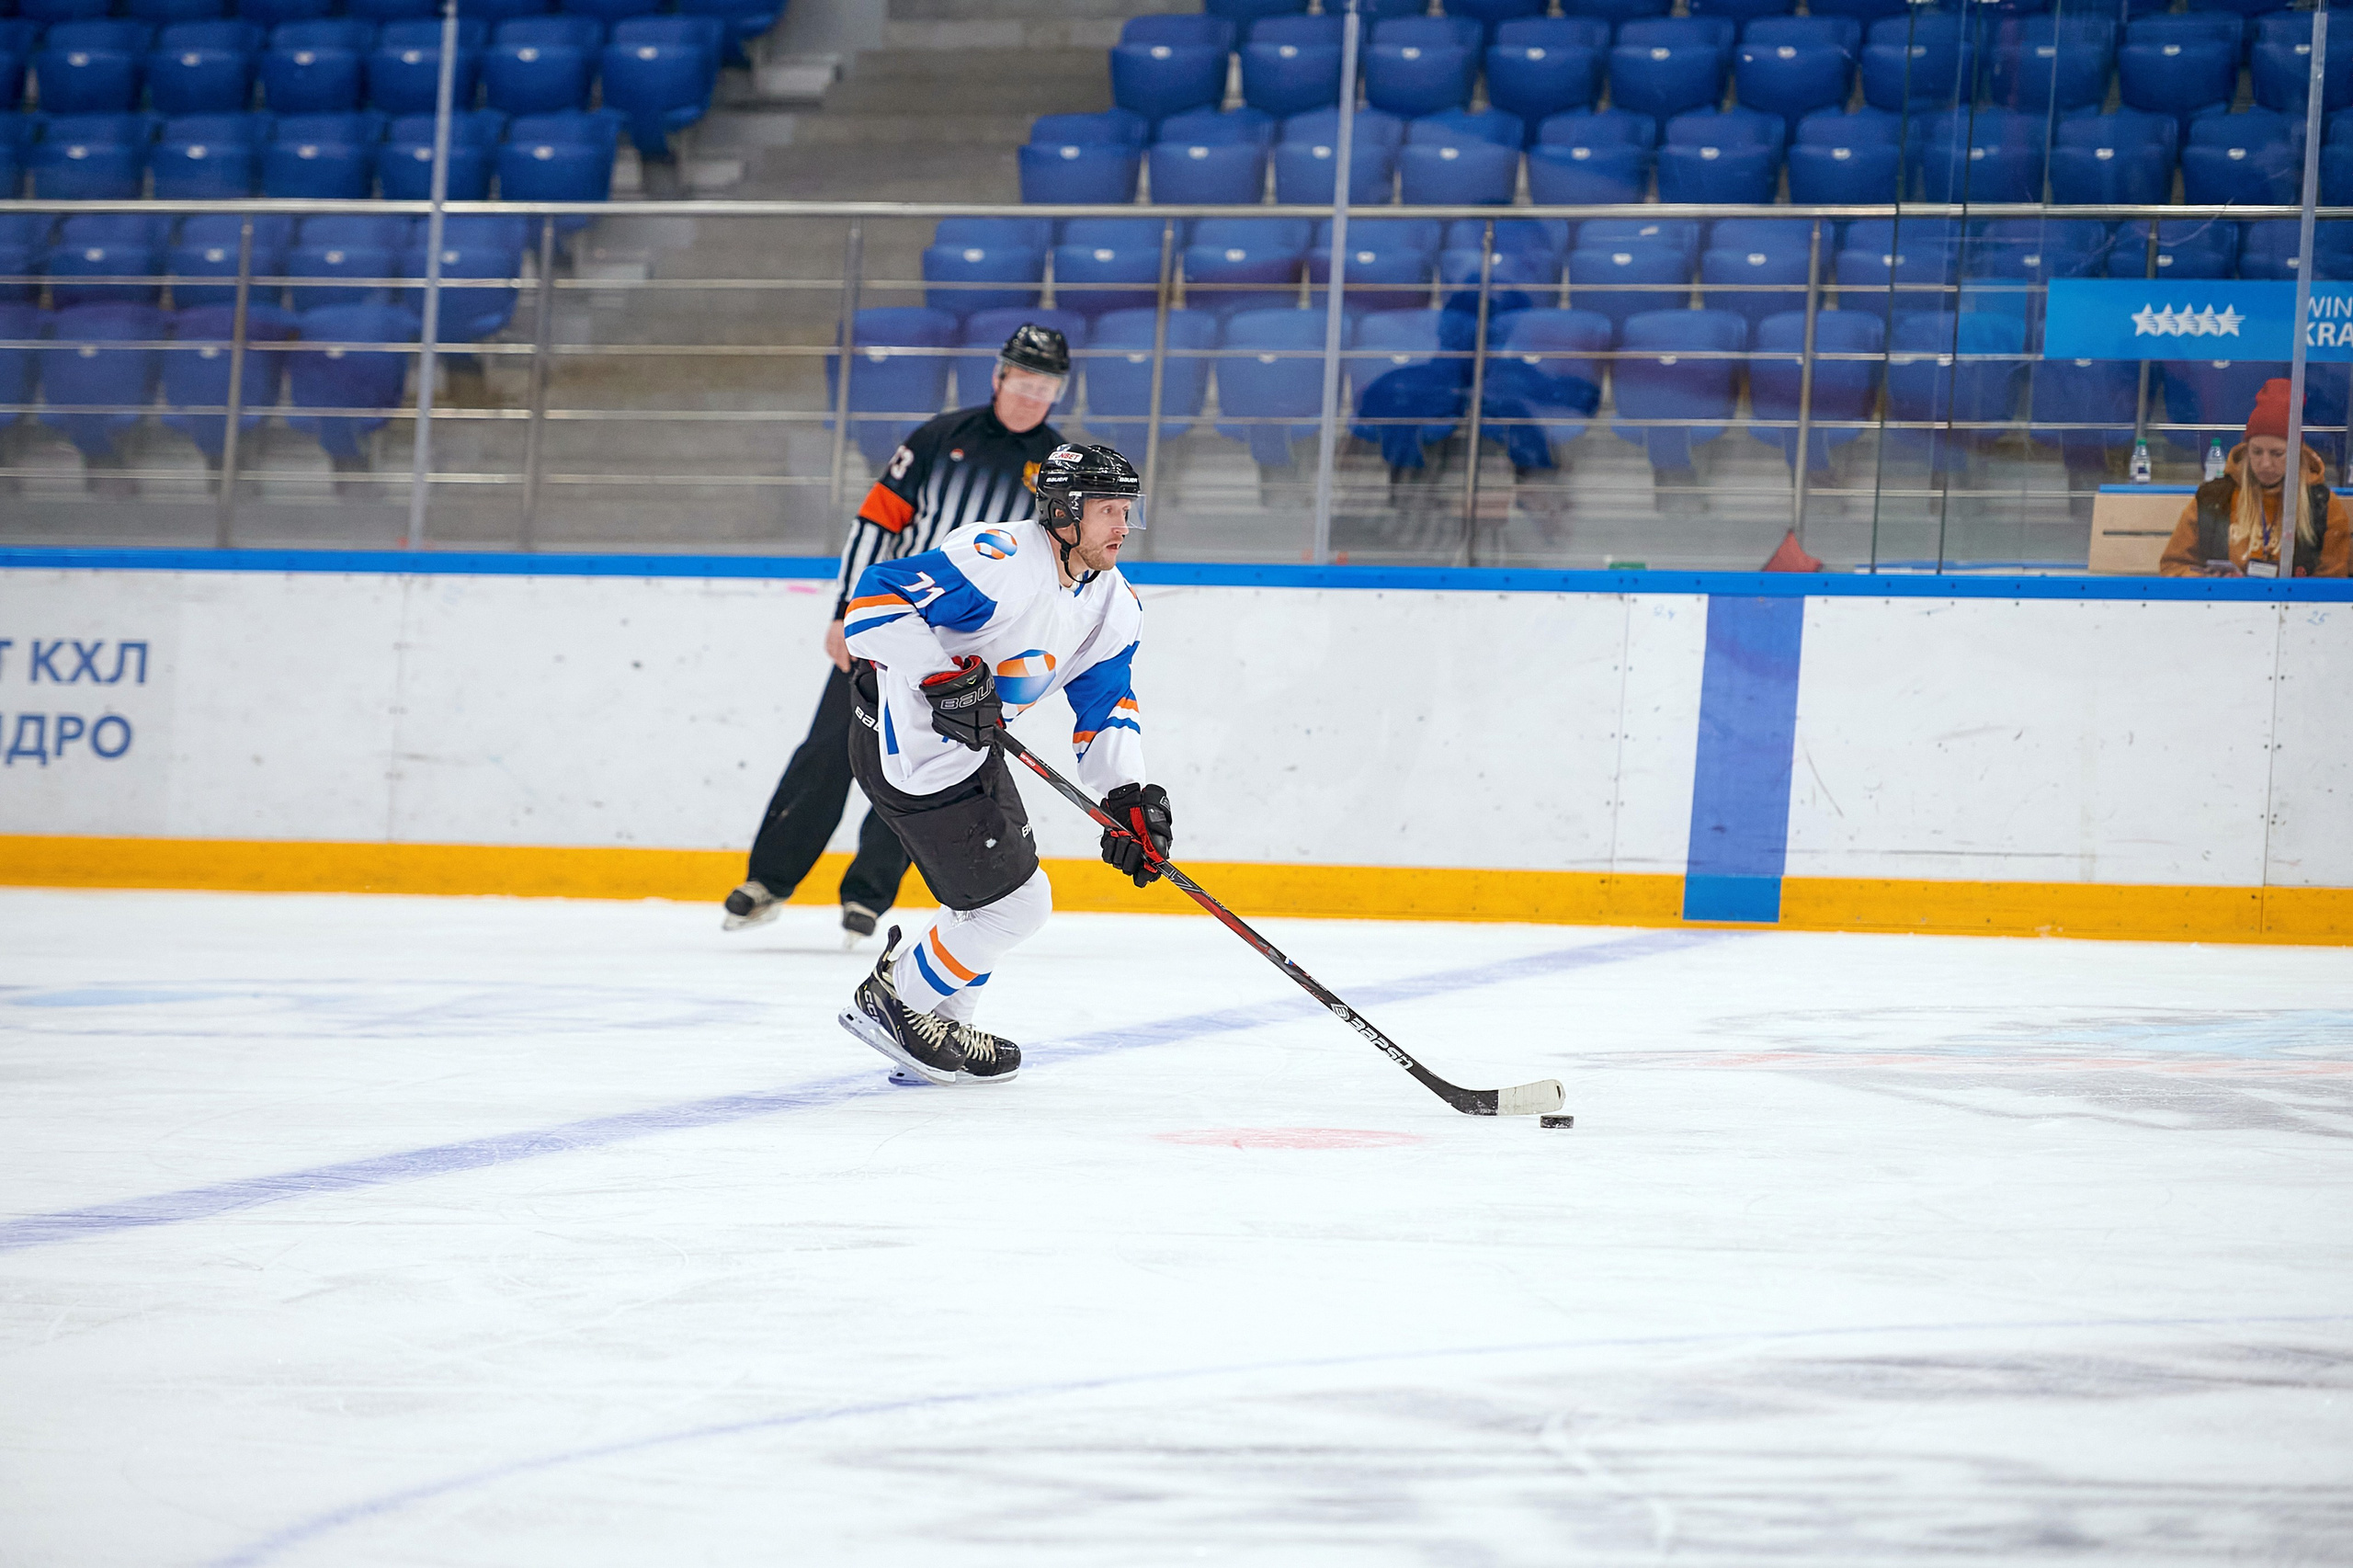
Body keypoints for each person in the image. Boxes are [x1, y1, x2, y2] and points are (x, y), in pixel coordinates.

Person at [722, 323, 1077, 941]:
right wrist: (845, 607)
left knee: (919, 764)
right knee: (828, 749)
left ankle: (868, 895)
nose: (1031, 393)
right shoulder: (941, 439)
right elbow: (874, 523)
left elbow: (1057, 561)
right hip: (890, 624)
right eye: (1023, 378)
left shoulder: (1056, 467)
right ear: (998, 377)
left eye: (1046, 383)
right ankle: (769, 881)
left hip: (969, 648)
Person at [834, 444, 1172, 1086]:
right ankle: (891, 1001)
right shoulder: (1000, 560)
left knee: (996, 892)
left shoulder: (1115, 607)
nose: (1122, 527)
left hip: (971, 748)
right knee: (1015, 906)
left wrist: (1126, 795)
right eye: (1107, 511)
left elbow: (1106, 706)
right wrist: (940, 675)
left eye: (1127, 510)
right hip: (906, 743)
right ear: (1064, 513)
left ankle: (937, 1022)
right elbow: (871, 607)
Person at [2161, 379, 2352, 578]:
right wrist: (2212, 581)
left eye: (2277, 454)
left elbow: (2331, 579)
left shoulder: (2322, 505)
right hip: (2225, 605)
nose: (2265, 463)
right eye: (2257, 452)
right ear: (2246, 450)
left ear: (2297, 453)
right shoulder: (2215, 498)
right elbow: (2174, 567)